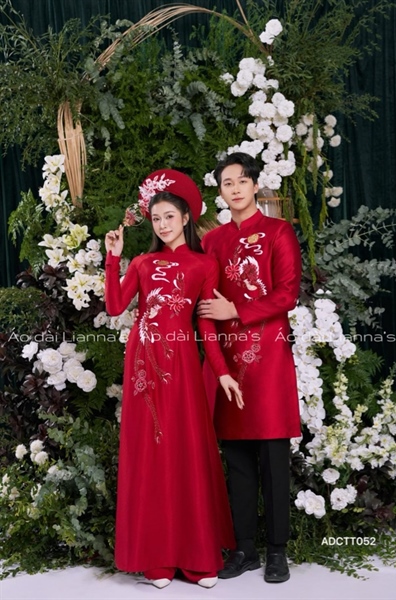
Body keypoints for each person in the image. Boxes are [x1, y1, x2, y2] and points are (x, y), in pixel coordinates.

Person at [104, 169, 242, 589]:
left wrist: (222, 373)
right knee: (151, 454)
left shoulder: (204, 264)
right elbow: (114, 307)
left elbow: (207, 328)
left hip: (181, 364)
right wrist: (113, 258)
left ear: (185, 218)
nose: (162, 225)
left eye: (169, 216)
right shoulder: (143, 263)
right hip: (143, 365)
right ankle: (158, 558)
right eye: (156, 218)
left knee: (186, 451)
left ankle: (196, 558)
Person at [197, 152, 302, 583]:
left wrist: (236, 310)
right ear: (220, 192)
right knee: (237, 459)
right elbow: (205, 305)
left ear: (255, 185)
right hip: (228, 361)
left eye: (242, 181)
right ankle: (244, 549)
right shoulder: (212, 242)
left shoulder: (279, 232)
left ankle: (278, 551)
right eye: (227, 183)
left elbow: (287, 294)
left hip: (269, 359)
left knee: (274, 459)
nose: (236, 188)